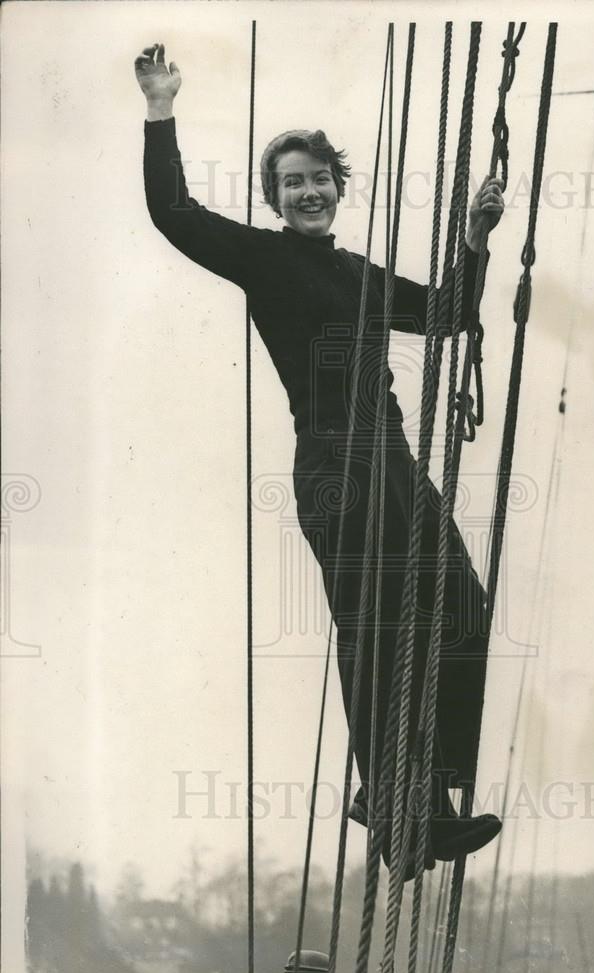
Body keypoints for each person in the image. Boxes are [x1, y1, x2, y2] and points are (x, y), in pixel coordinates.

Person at [135, 42, 505, 874]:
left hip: (399, 465)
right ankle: (388, 796)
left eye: (320, 179)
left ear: (339, 188)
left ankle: (431, 793)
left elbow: (446, 312)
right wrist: (161, 110)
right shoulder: (264, 260)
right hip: (335, 465)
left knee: (465, 610)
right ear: (276, 198)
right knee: (372, 625)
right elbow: (175, 214)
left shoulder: (359, 274)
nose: (309, 192)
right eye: (292, 182)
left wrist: (476, 239)